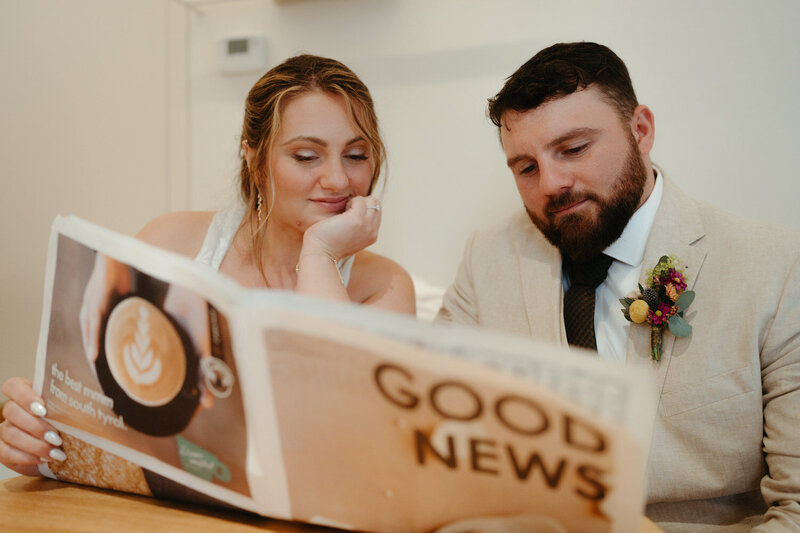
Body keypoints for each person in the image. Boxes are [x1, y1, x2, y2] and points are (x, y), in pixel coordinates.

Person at [436, 42, 800, 531]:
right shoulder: (487, 260)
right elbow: (433, 439)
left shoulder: (774, 269)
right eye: (526, 168)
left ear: (641, 130)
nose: (550, 183)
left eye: (573, 149)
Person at [1, 54, 416, 477]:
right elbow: (89, 407)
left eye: (357, 155)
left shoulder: (384, 287)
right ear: (255, 159)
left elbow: (336, 437)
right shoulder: (170, 243)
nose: (338, 180)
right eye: (307, 156)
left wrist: (320, 255)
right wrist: (36, 436)